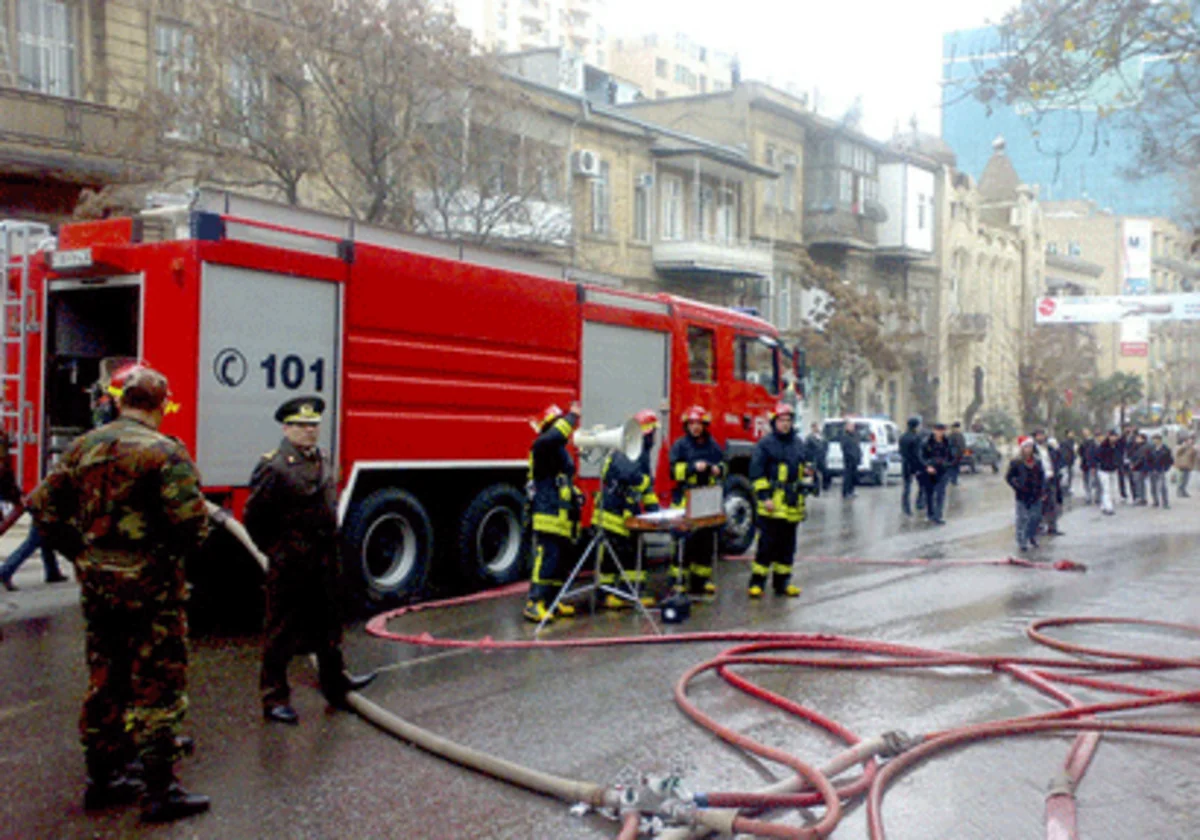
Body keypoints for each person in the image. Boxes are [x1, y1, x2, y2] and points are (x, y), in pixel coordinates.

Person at [26, 366, 211, 822]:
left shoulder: (84, 446)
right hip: (152, 590)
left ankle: (104, 780)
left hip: (99, 587)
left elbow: (42, 509)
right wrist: (164, 559)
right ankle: (159, 791)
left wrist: (82, 555)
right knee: (158, 682)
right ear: (159, 405)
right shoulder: (166, 452)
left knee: (105, 677)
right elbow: (192, 526)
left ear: (121, 400)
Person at [244, 396, 377, 723]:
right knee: (281, 632)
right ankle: (274, 698)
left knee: (328, 625)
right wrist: (276, 552)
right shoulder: (274, 466)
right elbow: (255, 518)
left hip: (324, 559)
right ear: (286, 428)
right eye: (302, 426)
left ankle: (336, 683)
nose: (309, 432)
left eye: (314, 425)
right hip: (291, 562)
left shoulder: (323, 458)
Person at [522, 402, 583, 622]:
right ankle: (534, 602)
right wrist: (572, 417)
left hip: (561, 513)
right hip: (547, 513)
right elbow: (553, 437)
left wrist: (575, 493)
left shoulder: (557, 451)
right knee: (547, 557)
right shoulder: (542, 445)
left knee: (560, 559)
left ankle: (553, 601)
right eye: (559, 425)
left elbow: (562, 479)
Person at [596, 410, 660, 608]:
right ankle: (612, 595)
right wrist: (642, 482)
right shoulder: (626, 449)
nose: (655, 438)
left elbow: (646, 487)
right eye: (653, 433)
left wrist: (656, 511)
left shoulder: (642, 453)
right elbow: (629, 475)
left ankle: (627, 592)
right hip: (612, 513)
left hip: (625, 512)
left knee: (631, 552)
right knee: (614, 554)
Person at [748, 402, 808, 598]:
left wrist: (809, 474)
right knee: (766, 545)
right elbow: (756, 473)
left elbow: (804, 467)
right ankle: (757, 583)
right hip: (771, 505)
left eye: (788, 420)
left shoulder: (798, 443)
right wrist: (764, 497)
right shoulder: (765, 444)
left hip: (792, 505)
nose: (785, 424)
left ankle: (782, 583)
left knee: (787, 547)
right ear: (774, 422)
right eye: (781, 420)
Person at [668, 405, 725, 595]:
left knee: (705, 541)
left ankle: (701, 580)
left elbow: (724, 466)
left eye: (699, 423)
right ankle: (679, 580)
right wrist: (693, 467)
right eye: (691, 423)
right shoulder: (680, 445)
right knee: (684, 542)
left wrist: (718, 469)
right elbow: (673, 472)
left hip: (706, 499)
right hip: (685, 498)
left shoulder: (712, 445)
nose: (695, 427)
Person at [0, 431, 67, 590]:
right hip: (41, 502)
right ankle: (6, 570)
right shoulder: (3, 465)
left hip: (37, 500)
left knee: (44, 533)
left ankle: (52, 571)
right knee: (37, 536)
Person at [1006, 437, 1045, 551]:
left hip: (1036, 494)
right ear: (1022, 448)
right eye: (1026, 447)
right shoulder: (1016, 462)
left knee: (1035, 517)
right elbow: (1009, 477)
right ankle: (1021, 541)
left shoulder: (1037, 461)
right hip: (1022, 495)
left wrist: (1042, 490)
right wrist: (1017, 486)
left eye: (1030, 447)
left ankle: (1031, 536)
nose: (1028, 449)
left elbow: (1042, 477)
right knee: (1022, 518)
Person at [919, 423, 953, 524]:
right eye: (938, 430)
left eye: (942, 430)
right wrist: (927, 466)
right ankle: (930, 514)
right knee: (929, 493)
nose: (940, 433)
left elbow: (952, 456)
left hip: (943, 471)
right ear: (934, 430)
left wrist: (947, 464)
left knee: (940, 492)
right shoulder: (926, 442)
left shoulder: (947, 442)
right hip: (929, 471)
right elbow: (921, 457)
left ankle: (938, 515)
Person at [898, 416, 923, 516]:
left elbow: (900, 451)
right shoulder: (916, 437)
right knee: (922, 485)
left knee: (907, 487)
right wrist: (920, 466)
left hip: (905, 464)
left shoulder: (902, 437)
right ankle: (919, 503)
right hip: (915, 465)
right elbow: (917, 454)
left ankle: (906, 507)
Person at [1096, 429, 1122, 516]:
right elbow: (1099, 456)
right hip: (1104, 470)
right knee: (1106, 489)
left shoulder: (1117, 445)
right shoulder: (1103, 446)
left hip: (1113, 469)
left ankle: (1104, 505)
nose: (1114, 438)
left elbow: (1119, 455)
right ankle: (1109, 507)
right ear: (1109, 436)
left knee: (1111, 488)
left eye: (1115, 436)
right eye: (1113, 436)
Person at [1147, 434, 1174, 509]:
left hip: (1161, 469)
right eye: (1153, 439)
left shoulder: (1166, 449)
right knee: (1153, 487)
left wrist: (1166, 468)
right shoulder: (1151, 448)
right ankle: (1155, 501)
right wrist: (1149, 468)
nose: (1154, 441)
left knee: (1163, 487)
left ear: (1160, 440)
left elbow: (1170, 460)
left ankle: (1165, 503)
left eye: (1156, 439)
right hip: (1152, 469)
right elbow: (1147, 459)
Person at [838, 421, 861, 499]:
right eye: (850, 426)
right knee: (847, 476)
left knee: (853, 476)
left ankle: (851, 491)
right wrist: (850, 455)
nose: (852, 428)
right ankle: (846, 492)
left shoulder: (855, 436)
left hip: (855, 460)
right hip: (848, 460)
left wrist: (859, 456)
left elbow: (857, 447)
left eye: (853, 426)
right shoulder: (845, 436)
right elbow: (844, 448)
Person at [1128, 432, 1151, 506]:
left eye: (1138, 438)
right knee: (1140, 483)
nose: (1136, 439)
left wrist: (1134, 465)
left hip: (1139, 467)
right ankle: (1142, 498)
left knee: (1138, 483)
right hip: (1139, 467)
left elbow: (1141, 458)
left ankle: (1140, 498)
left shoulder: (1144, 447)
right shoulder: (1137, 446)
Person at [804, 422, 826, 497]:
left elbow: (824, 445)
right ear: (812, 428)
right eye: (815, 427)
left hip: (820, 459)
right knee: (814, 475)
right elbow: (806, 448)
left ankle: (818, 489)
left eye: (817, 427)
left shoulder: (821, 436)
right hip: (813, 459)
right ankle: (814, 490)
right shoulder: (809, 437)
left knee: (822, 474)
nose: (817, 429)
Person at [1077, 428, 1098, 505]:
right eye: (1083, 432)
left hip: (1090, 464)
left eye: (1086, 432)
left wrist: (1093, 464)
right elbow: (1080, 451)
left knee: (1090, 480)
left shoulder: (1092, 442)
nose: (1084, 433)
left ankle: (1090, 496)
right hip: (1085, 464)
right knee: (1086, 480)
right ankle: (1088, 495)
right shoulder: (1083, 442)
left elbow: (1094, 453)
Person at [1174, 434, 1196, 498]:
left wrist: (1192, 465)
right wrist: (1184, 446)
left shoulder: (1192, 448)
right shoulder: (1181, 447)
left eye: (1191, 440)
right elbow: (1178, 453)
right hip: (1182, 465)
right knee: (1182, 479)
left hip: (1188, 466)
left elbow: (1193, 457)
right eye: (1189, 440)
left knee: (1186, 479)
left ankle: (1183, 491)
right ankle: (1180, 491)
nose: (1190, 441)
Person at [948, 422, 967, 486]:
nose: (958, 429)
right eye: (957, 428)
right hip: (955, 453)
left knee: (955, 467)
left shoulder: (952, 435)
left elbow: (963, 445)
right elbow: (961, 445)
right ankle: (954, 480)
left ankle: (953, 479)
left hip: (956, 453)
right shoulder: (956, 435)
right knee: (955, 467)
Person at [1060, 430, 1077, 497]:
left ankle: (1069, 488)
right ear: (1067, 434)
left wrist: (1074, 456)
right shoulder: (1065, 442)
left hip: (1071, 462)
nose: (1072, 434)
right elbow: (1064, 452)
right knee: (1066, 477)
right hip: (1066, 462)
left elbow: (1074, 451)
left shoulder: (1073, 442)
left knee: (1070, 476)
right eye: (1070, 433)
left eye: (1072, 433)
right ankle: (1065, 490)